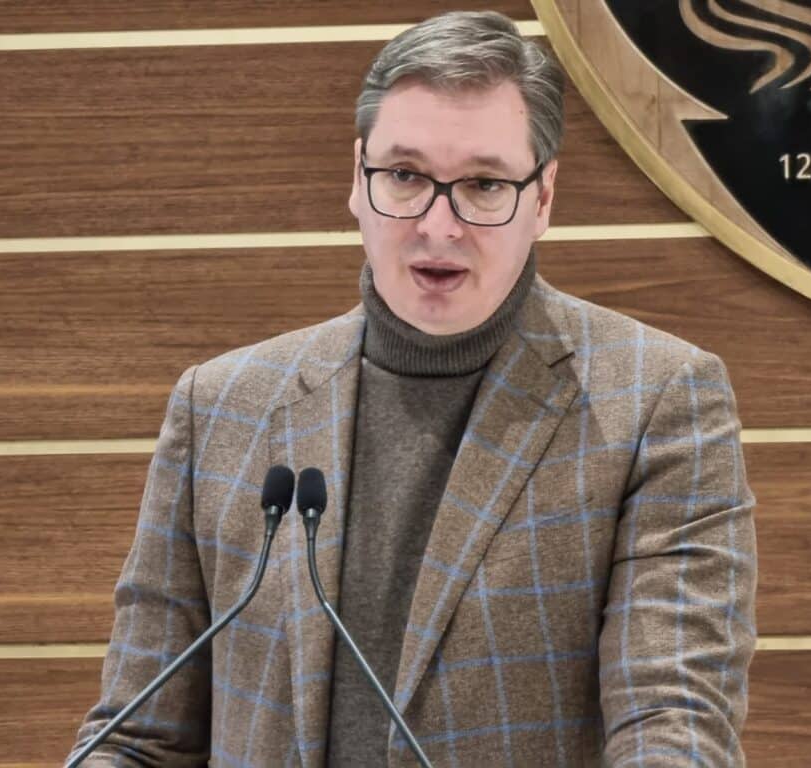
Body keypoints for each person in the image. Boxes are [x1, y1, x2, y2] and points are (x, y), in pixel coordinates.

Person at [68, 10, 757, 767]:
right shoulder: (221, 406)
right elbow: (137, 737)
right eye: (404, 176)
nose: (438, 226)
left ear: (543, 198)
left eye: (484, 185)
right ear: (357, 179)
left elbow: (673, 721)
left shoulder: (656, 401)